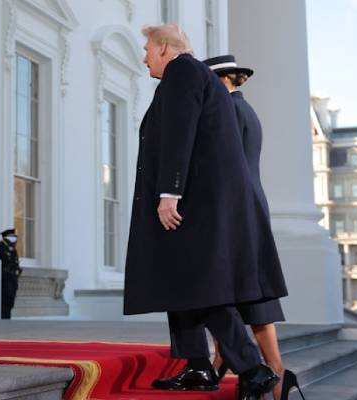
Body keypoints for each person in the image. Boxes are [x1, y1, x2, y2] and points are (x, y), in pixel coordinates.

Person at [122, 24, 288, 399]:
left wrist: (169, 193)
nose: (143, 56)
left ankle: (253, 369)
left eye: (147, 48)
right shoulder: (194, 76)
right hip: (198, 201)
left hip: (191, 203)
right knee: (180, 281)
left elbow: (180, 133)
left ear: (164, 48)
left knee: (198, 286)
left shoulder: (182, 70)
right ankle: (198, 365)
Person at [203, 54, 303, 400]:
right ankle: (267, 369)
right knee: (246, 287)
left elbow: (221, 165)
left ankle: (268, 369)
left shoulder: (227, 111)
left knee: (230, 286)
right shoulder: (246, 109)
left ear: (222, 80)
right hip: (250, 202)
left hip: (235, 206)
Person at [0, 229, 23, 319]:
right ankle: (3, 320)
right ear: (6, 238)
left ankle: (7, 319)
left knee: (10, 301)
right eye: (13, 237)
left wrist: (17, 269)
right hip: (4, 279)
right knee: (4, 302)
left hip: (12, 279)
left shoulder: (13, 250)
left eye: (15, 238)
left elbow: (15, 263)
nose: (15, 240)